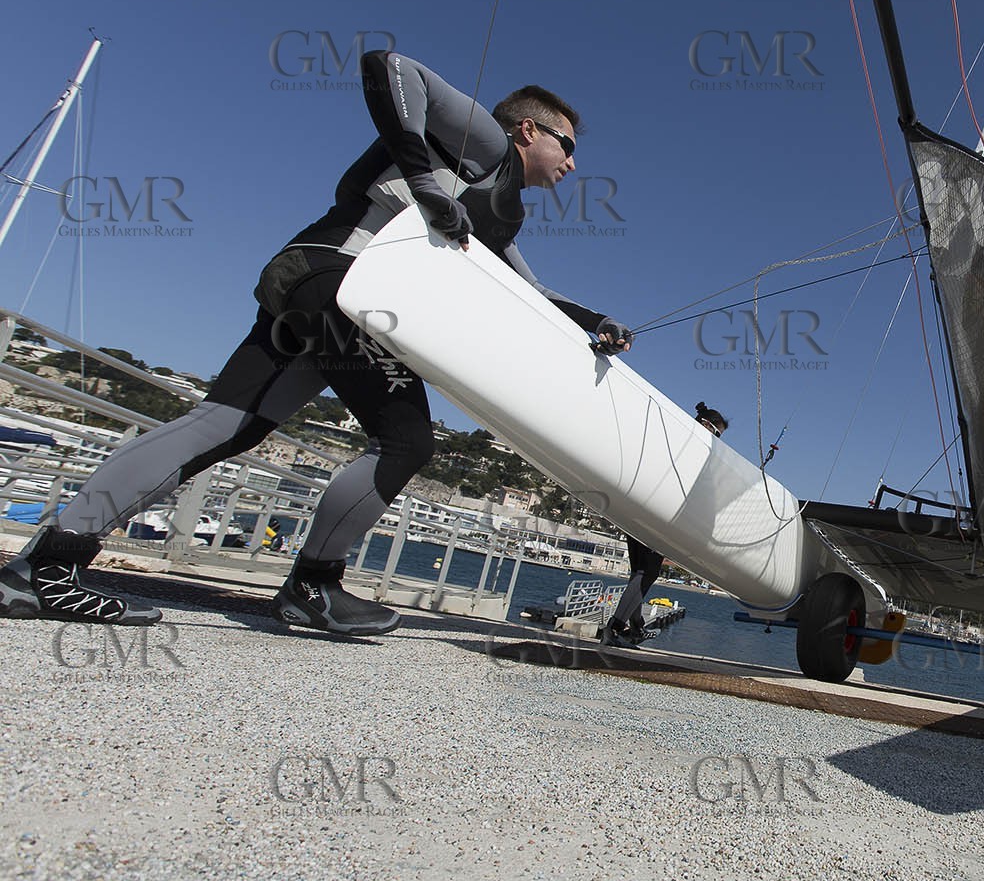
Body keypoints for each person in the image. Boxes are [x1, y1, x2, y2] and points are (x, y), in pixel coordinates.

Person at [0, 51, 631, 636]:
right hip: (339, 281)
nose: (572, 162)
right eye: (567, 145)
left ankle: (44, 568)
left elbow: (528, 292)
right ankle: (314, 587)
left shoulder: (505, 211)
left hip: (306, 282)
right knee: (405, 441)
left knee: (223, 426)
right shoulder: (486, 141)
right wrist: (426, 181)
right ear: (528, 130)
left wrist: (595, 322)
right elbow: (388, 68)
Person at [600, 403, 727, 648]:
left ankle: (635, 627)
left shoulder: (674, 438)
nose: (717, 441)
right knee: (647, 573)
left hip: (637, 508)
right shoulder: (696, 450)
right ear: (706, 426)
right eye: (718, 435)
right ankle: (614, 629)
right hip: (659, 518)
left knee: (639, 573)